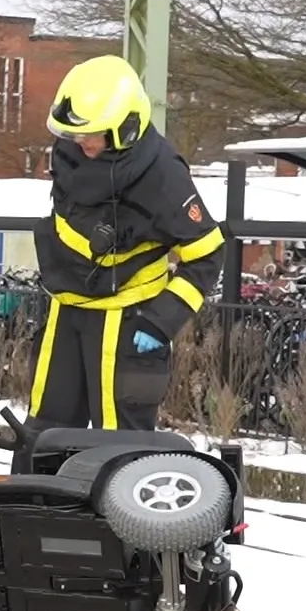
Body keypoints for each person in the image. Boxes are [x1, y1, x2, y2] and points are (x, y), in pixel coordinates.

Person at [27, 54, 223, 436]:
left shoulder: (164, 176)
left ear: (125, 128)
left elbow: (206, 254)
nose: (80, 142)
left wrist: (160, 322)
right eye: (74, 134)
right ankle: (32, 498)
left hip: (127, 322)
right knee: (42, 434)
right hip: (66, 311)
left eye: (90, 134)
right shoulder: (70, 152)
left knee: (119, 446)